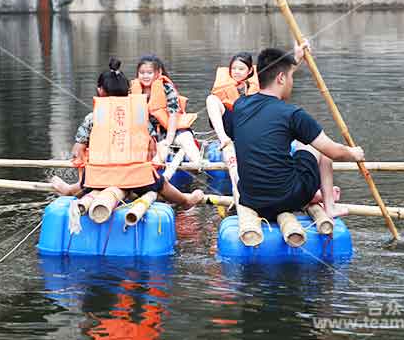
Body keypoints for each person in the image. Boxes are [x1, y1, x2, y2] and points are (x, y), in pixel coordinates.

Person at [227, 44, 364, 220]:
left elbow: (270, 78)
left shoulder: (240, 105)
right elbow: (334, 152)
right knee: (320, 147)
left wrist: (296, 58)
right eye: (292, 76)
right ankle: (330, 206)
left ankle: (314, 195)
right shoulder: (293, 114)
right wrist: (354, 153)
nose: (293, 82)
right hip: (286, 199)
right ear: (281, 79)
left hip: (251, 199)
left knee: (300, 143)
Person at [51, 58, 204, 208]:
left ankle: (71, 189)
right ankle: (185, 200)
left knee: (88, 177)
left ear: (100, 90)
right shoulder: (140, 115)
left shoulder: (92, 117)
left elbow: (77, 152)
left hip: (98, 178)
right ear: (128, 91)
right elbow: (152, 150)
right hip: (137, 178)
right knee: (161, 184)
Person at [130, 55, 202, 163]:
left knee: (186, 140)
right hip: (150, 135)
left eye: (149, 73)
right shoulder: (132, 90)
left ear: (158, 73)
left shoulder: (167, 88)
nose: (145, 76)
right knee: (158, 154)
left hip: (173, 130)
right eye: (142, 73)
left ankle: (199, 164)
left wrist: (168, 140)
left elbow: (173, 115)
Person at [206, 51, 259, 151]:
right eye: (233, 68)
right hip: (231, 126)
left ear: (250, 70)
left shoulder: (259, 82)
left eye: (241, 69)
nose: (236, 71)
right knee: (211, 99)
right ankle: (224, 139)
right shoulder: (225, 84)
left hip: (251, 127)